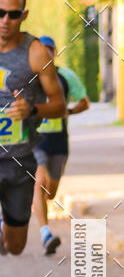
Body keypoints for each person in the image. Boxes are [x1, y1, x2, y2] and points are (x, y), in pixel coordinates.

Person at [0, 0, 66, 256]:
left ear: (24, 15)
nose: (5, 20)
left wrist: (32, 110)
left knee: (15, 246)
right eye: (0, 13)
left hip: (19, 159)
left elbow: (59, 105)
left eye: (13, 14)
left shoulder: (36, 52)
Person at [32, 35, 90, 254]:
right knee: (39, 181)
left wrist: (69, 111)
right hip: (35, 140)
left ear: (55, 52)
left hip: (58, 141)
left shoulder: (66, 76)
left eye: (50, 49)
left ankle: (32, 201)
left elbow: (85, 103)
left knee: (50, 192)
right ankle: (46, 234)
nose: (46, 53)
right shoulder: (29, 78)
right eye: (42, 49)